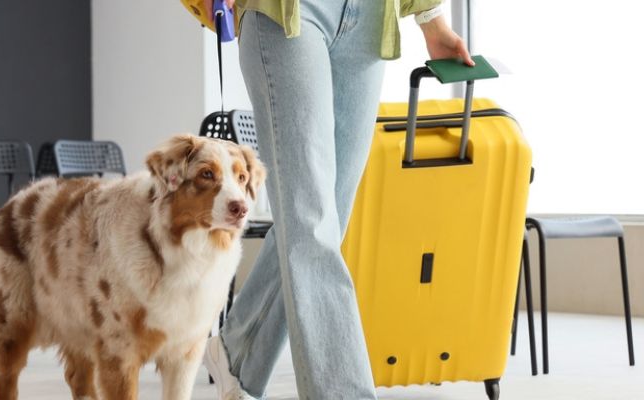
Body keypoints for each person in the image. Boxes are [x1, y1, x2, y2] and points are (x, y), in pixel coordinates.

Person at [201, 0, 473, 398]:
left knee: (324, 222)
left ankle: (235, 352)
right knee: (311, 224)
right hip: (287, 14)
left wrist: (432, 19)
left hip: (370, 17)